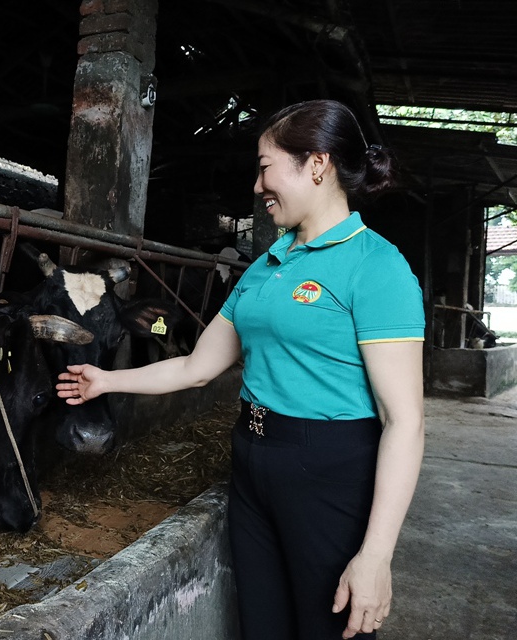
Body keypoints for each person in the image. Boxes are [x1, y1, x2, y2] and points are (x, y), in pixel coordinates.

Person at [57, 99, 425, 640]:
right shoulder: (267, 263)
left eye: (265, 165)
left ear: (316, 164)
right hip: (252, 460)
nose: (257, 185)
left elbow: (406, 421)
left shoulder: (376, 266)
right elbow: (197, 365)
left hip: (327, 468)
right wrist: (107, 380)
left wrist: (376, 555)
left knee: (327, 628)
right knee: (262, 625)